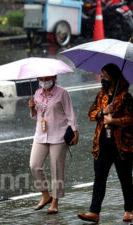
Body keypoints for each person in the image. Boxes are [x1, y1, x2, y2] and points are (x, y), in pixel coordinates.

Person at [77, 63, 133, 222]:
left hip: (122, 144)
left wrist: (115, 120)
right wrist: (102, 112)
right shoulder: (101, 96)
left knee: (125, 178)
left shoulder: (126, 97)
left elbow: (131, 119)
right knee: (99, 177)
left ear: (113, 77)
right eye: (102, 76)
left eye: (105, 77)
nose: (102, 79)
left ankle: (128, 210)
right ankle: (94, 212)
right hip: (103, 143)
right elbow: (90, 114)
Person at [28, 75, 79, 214]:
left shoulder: (62, 93)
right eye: (41, 79)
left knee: (56, 168)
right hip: (40, 134)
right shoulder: (37, 93)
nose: (44, 81)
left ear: (54, 77)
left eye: (47, 78)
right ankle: (46, 196)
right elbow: (35, 116)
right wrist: (32, 108)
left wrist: (75, 131)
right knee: (34, 165)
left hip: (59, 135)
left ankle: (55, 201)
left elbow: (70, 113)